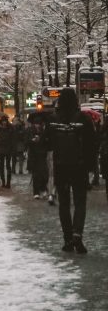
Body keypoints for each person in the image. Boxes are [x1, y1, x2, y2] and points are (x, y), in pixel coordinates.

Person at [47, 86, 96, 253]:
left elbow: (48, 144)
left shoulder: (53, 120)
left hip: (61, 166)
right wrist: (91, 168)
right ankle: (77, 234)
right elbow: (91, 145)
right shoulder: (83, 119)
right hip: (79, 167)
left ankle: (67, 238)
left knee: (64, 204)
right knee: (80, 202)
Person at [27, 114, 50, 198]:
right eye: (36, 124)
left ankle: (43, 188)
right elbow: (27, 141)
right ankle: (36, 192)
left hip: (42, 155)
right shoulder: (30, 131)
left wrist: (42, 140)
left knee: (44, 174)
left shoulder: (43, 132)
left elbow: (47, 142)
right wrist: (32, 141)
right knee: (35, 174)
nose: (37, 126)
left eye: (39, 124)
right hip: (33, 155)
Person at [0, 116, 16, 189]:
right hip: (1, 150)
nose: (4, 122)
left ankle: (8, 183)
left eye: (5, 121)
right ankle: (3, 181)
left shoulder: (10, 128)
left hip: (8, 149)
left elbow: (13, 139)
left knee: (8, 166)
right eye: (3, 121)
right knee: (1, 166)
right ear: (1, 122)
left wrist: (13, 149)